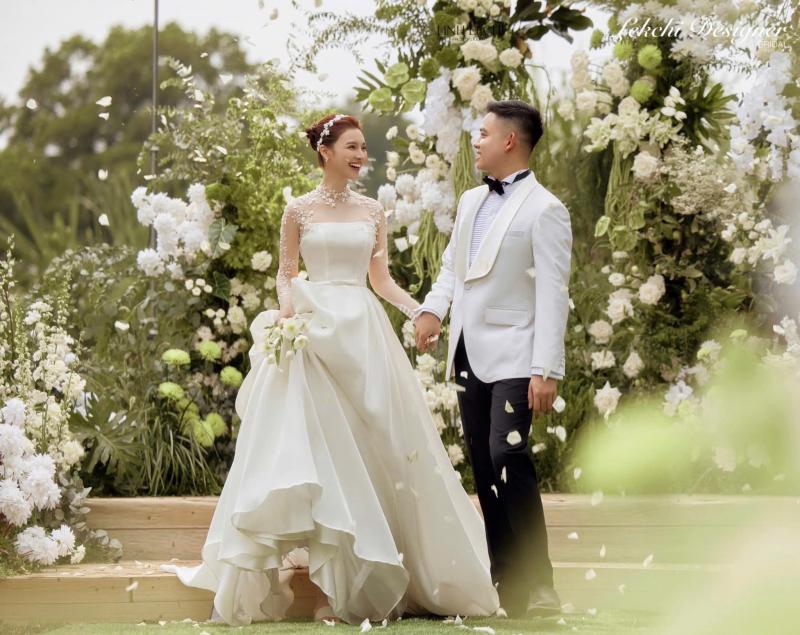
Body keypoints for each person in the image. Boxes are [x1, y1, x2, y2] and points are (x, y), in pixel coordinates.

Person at [161, 113, 499, 626]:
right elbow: (286, 274)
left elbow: (381, 280)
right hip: (314, 331)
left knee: (372, 449)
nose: (361, 155)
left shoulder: (373, 210)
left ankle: (364, 585)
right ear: (326, 151)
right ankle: (328, 585)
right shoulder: (297, 209)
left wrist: (420, 312)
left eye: (363, 147)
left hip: (362, 333)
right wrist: (288, 311)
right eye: (352, 147)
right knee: (323, 456)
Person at [413, 100, 573, 618]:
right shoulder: (469, 201)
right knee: (484, 468)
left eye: (483, 133)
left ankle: (541, 584)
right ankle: (508, 586)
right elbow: (451, 269)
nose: (475, 140)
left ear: (509, 140)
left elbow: (553, 293)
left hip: (517, 356)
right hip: (467, 351)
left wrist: (546, 369)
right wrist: (433, 310)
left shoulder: (546, 209)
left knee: (508, 455)